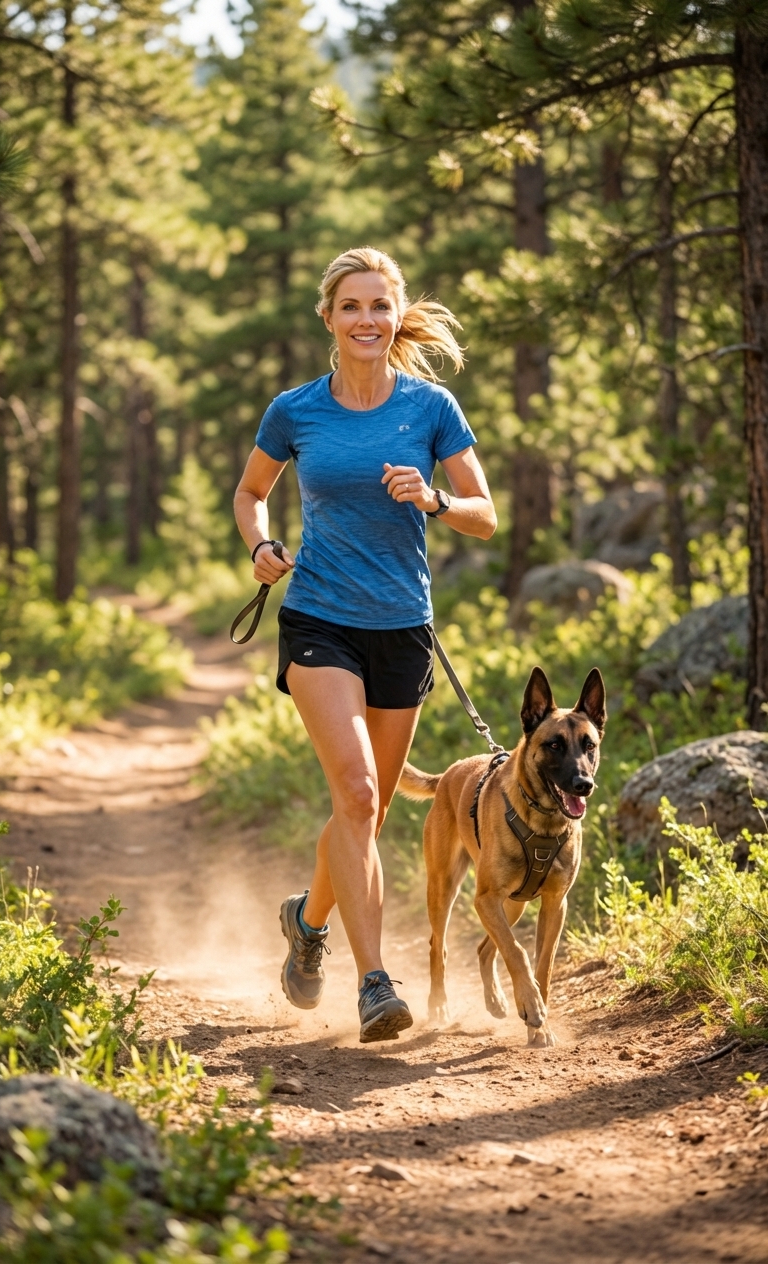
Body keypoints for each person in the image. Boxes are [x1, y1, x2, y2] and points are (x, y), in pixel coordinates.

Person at [233, 246, 497, 1043]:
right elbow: (250, 493)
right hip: (318, 619)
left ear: (396, 314)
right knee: (355, 794)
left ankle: (306, 921)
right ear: (328, 317)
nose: (366, 320)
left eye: (379, 306)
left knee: (368, 812)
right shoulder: (295, 410)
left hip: (402, 629)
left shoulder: (430, 408)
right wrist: (260, 546)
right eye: (351, 306)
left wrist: (436, 497)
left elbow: (485, 511)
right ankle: (375, 982)